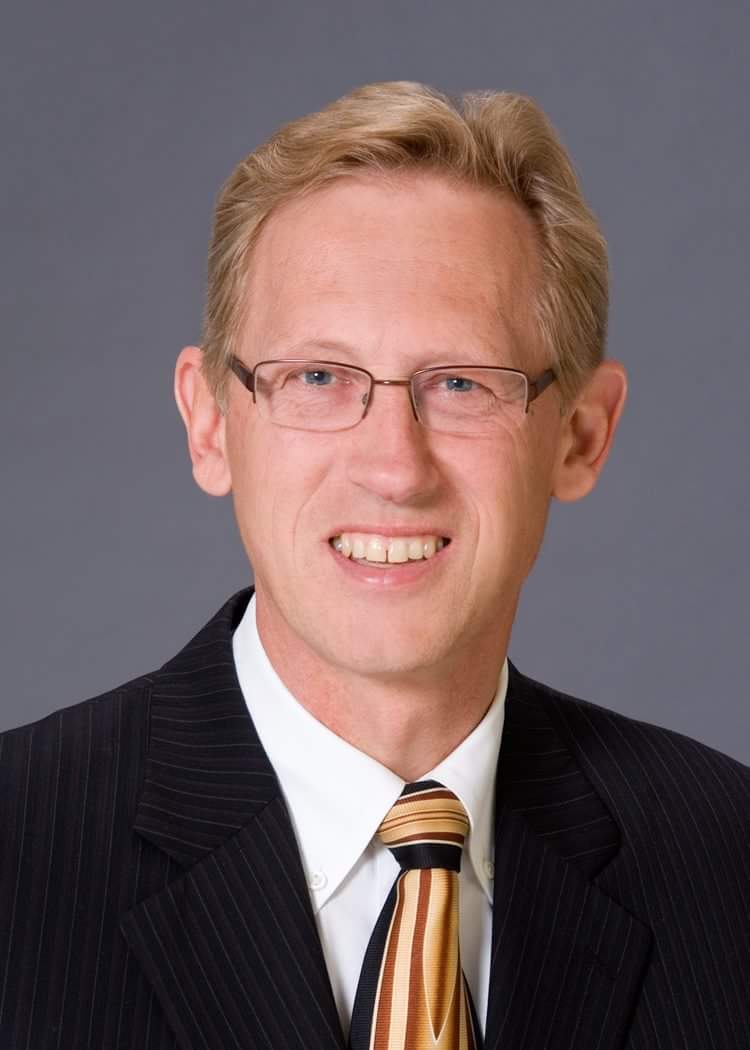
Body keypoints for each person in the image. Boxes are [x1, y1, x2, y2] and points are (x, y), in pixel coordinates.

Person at [1, 81, 748, 1050]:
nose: (395, 468)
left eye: (462, 383)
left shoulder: (728, 867)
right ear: (210, 423)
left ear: (581, 436)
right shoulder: (20, 851)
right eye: (317, 376)